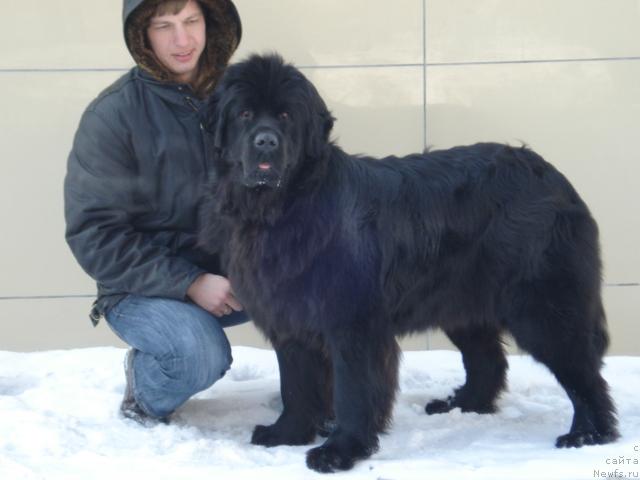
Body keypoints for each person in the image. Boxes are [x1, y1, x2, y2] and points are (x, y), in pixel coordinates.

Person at [64, 0, 245, 426]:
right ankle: (145, 390)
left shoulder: (243, 95)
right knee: (197, 353)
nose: (182, 41)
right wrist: (191, 282)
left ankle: (314, 400)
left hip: (238, 271)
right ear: (142, 34)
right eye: (164, 26)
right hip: (140, 286)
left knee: (333, 283)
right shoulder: (113, 116)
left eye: (191, 21)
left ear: (211, 22)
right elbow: (94, 233)